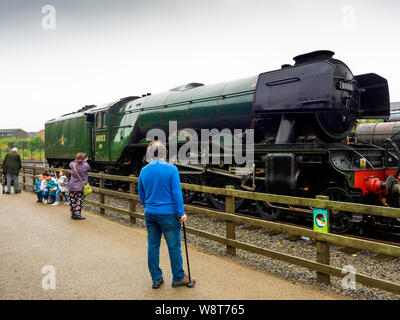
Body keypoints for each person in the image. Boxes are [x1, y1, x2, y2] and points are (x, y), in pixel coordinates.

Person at [138, 140, 195, 289]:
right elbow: (177, 193)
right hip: (169, 214)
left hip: (150, 213)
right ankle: (178, 278)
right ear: (165, 153)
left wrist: (148, 206)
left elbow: (141, 192)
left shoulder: (144, 171)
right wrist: (181, 213)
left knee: (153, 246)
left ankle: (156, 279)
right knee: (174, 247)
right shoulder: (172, 169)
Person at [68, 152, 91, 220]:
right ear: (84, 158)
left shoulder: (72, 164)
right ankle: (77, 214)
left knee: (72, 200)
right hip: (80, 187)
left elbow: (71, 163)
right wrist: (84, 161)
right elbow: (89, 169)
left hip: (72, 186)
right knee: (79, 200)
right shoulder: (86, 165)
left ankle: (73, 214)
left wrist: (77, 160)